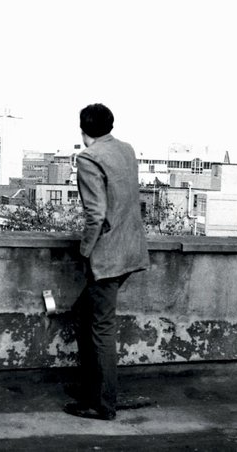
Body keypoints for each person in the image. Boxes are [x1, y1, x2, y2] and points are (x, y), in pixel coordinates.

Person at [64, 103, 149, 421]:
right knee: (83, 314)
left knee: (101, 328)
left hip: (108, 255)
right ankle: (93, 389)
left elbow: (96, 213)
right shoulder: (126, 150)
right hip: (131, 249)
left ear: (82, 128)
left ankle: (102, 404)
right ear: (110, 126)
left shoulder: (88, 158)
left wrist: (85, 250)